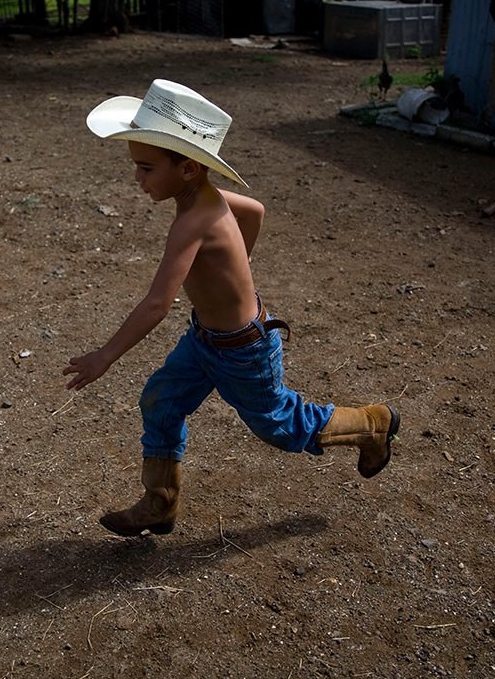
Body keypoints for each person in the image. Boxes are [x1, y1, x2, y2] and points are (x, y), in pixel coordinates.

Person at [63, 79, 400, 537]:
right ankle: (159, 503)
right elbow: (255, 210)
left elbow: (158, 304)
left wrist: (104, 356)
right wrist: (235, 265)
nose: (136, 179)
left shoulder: (191, 222)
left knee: (281, 426)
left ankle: (370, 425)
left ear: (186, 169)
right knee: (161, 401)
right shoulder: (210, 198)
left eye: (145, 168)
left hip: (243, 351)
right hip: (206, 340)